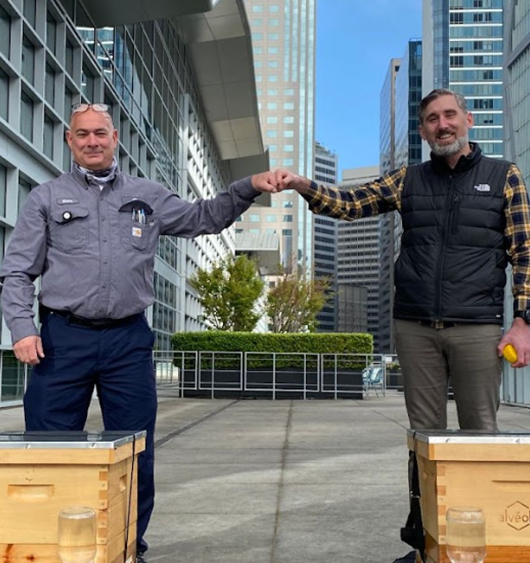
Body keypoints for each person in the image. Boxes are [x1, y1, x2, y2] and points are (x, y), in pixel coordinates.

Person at [0, 103, 278, 562]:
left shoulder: (147, 196)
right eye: (82, 134)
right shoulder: (46, 198)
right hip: (61, 340)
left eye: (100, 133)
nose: (92, 141)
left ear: (115, 139)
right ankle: (49, 550)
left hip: (127, 342)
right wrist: (22, 329)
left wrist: (247, 186)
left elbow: (204, 218)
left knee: (133, 451)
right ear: (70, 140)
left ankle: (128, 548)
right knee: (50, 450)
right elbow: (16, 272)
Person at [276, 88, 530, 432]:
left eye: (450, 115)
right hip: (415, 326)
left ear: (468, 120)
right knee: (424, 434)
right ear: (423, 132)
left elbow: (524, 251)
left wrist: (522, 322)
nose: (443, 125)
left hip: (477, 325)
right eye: (432, 119)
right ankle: (420, 473)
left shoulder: (504, 176)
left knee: (481, 432)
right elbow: (351, 203)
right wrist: (302, 184)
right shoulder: (407, 179)